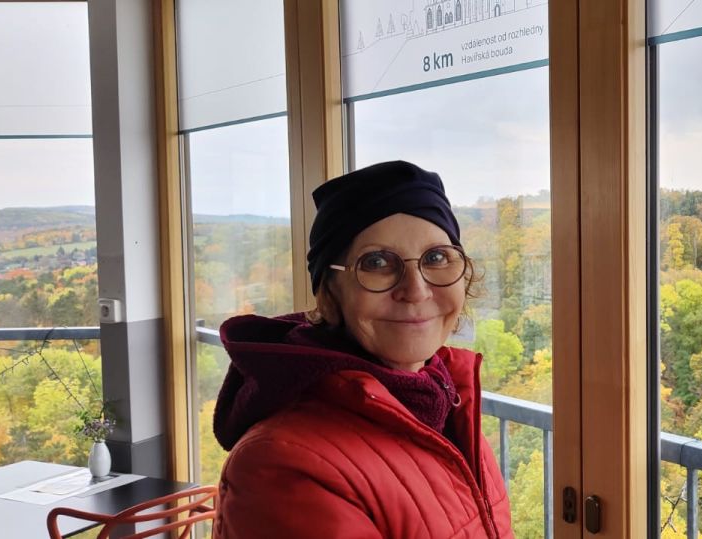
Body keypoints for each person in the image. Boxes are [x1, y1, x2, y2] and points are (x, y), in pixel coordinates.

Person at [211, 161, 513, 538]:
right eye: (377, 262)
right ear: (330, 291)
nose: (416, 290)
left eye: (436, 257)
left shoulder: (443, 401)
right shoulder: (284, 465)